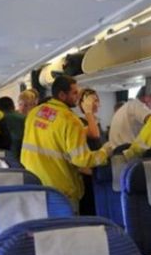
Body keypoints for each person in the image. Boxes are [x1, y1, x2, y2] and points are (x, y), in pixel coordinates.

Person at [21, 75, 111, 210]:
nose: (77, 96)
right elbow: (81, 160)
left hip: (34, 183)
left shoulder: (34, 112)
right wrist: (105, 152)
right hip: (60, 189)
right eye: (74, 93)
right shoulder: (70, 120)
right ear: (62, 95)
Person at [76, 88, 102, 215]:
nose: (95, 104)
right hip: (86, 173)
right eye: (92, 101)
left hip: (96, 171)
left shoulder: (96, 122)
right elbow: (94, 135)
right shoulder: (79, 122)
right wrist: (88, 112)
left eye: (96, 100)